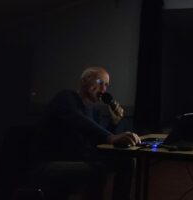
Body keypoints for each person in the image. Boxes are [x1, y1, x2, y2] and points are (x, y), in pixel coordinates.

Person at [34, 67, 141, 200]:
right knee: (99, 169)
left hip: (79, 160)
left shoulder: (94, 112)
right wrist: (111, 137)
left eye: (106, 85)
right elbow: (78, 119)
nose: (103, 89)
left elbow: (98, 142)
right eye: (99, 82)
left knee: (126, 162)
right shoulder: (66, 97)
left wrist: (114, 122)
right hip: (49, 163)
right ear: (84, 81)